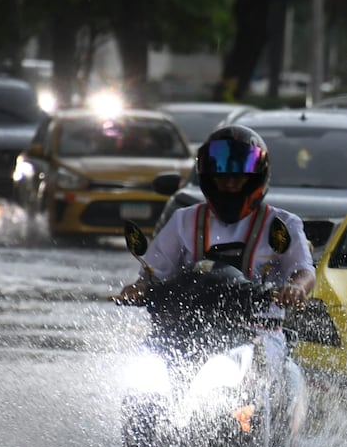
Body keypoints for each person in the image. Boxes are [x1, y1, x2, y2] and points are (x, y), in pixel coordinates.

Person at [119, 124, 315, 430]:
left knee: (256, 388)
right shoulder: (183, 220)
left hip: (257, 332)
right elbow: (153, 272)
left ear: (259, 174)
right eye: (221, 172)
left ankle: (257, 446)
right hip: (184, 330)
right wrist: (138, 288)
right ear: (207, 174)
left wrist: (296, 288)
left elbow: (304, 272)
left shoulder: (283, 223)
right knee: (140, 384)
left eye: (239, 173)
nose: (231, 180)